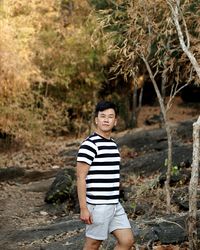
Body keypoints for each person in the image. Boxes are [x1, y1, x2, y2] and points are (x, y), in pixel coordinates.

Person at [76, 100, 134, 250]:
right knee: (93, 244)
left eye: (110, 116)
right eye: (102, 116)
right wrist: (83, 208)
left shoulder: (113, 144)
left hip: (114, 204)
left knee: (127, 241)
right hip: (98, 205)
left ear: (115, 121)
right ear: (96, 120)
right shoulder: (89, 144)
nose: (106, 119)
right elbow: (80, 177)